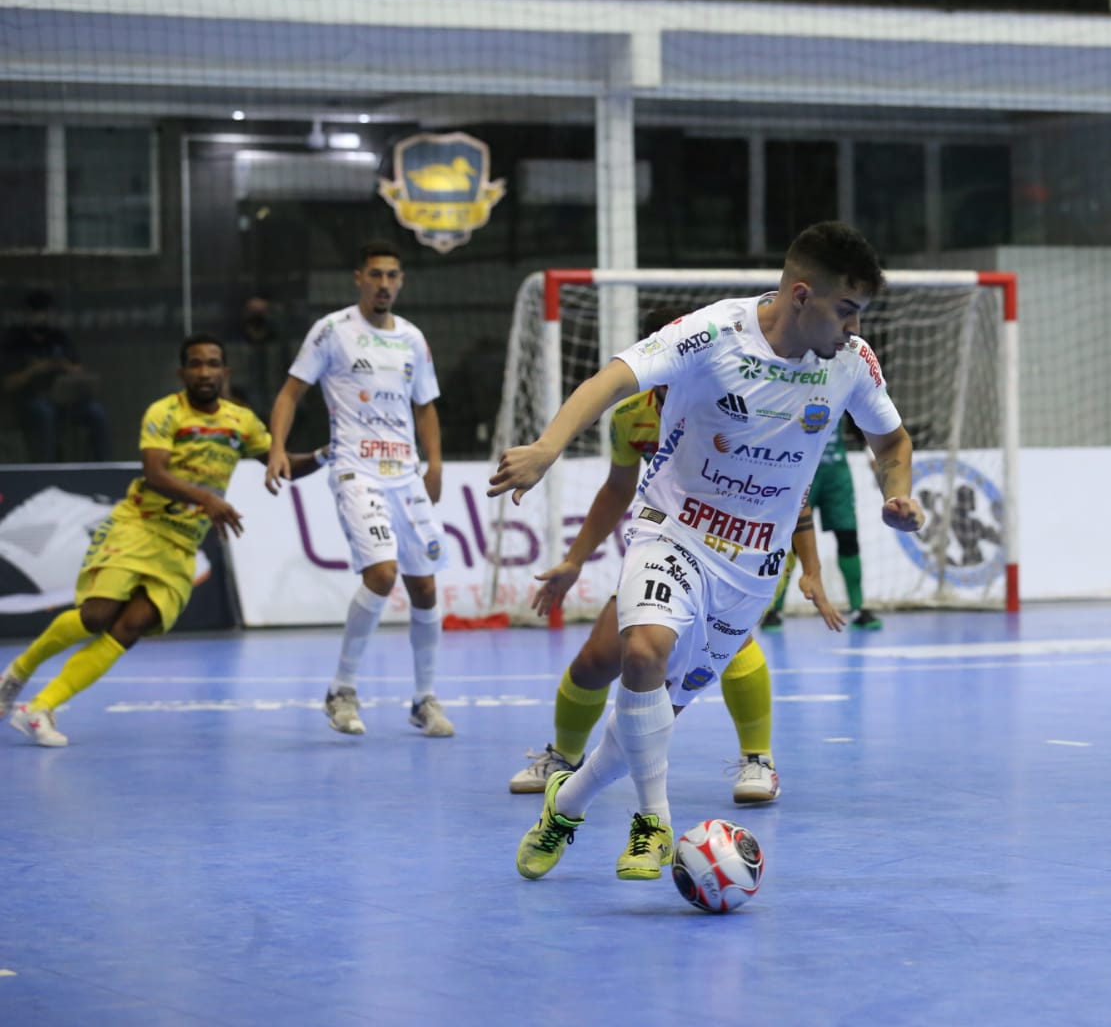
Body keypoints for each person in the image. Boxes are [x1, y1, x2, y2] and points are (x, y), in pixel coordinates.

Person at [489, 220, 925, 882]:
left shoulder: (850, 364)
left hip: (751, 569)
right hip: (674, 532)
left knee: (656, 715)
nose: (852, 328)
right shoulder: (712, 333)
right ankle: (653, 821)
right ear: (801, 295)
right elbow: (613, 378)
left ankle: (565, 807)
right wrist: (548, 447)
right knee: (640, 651)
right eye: (846, 310)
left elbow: (891, 443)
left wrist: (900, 493)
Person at [507, 308, 847, 804]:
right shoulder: (630, 414)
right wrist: (575, 559)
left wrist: (812, 569)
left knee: (730, 644)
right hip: (674, 541)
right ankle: (564, 757)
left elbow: (793, 489)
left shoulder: (741, 397)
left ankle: (758, 760)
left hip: (739, 546)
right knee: (601, 658)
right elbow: (618, 488)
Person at [1, 334, 321, 745]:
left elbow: (283, 464)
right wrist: (209, 500)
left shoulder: (242, 423)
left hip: (182, 545)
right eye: (196, 364)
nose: (204, 372)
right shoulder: (164, 412)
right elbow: (156, 473)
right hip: (138, 527)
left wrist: (327, 455)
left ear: (226, 372)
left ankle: (39, 709)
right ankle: (16, 673)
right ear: (182, 372)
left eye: (212, 364)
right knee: (98, 615)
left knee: (130, 628)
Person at [265, 240, 453, 739]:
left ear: (401, 281)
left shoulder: (412, 338)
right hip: (355, 469)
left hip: (406, 474)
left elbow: (426, 407)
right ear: (359, 278)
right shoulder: (332, 331)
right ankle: (341, 689)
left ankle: (424, 699)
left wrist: (434, 464)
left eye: (393, 275)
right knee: (382, 573)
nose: (384, 284)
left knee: (426, 585)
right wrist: (276, 448)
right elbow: (290, 392)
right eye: (376, 275)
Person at [760, 417, 883, 631]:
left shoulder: (844, 387)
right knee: (792, 542)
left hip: (836, 474)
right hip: (800, 469)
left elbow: (862, 425)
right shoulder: (794, 388)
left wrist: (872, 456)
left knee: (848, 537)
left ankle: (858, 607)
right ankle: (774, 609)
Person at [1, 289, 111, 463]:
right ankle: (48, 469)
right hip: (30, 404)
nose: (44, 317)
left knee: (96, 412)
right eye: (39, 312)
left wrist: (62, 365)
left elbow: (81, 372)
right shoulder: (16, 340)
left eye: (48, 312)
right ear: (28, 314)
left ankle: (103, 466)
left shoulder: (58, 338)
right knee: (45, 412)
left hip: (64, 402)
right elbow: (7, 384)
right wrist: (34, 370)